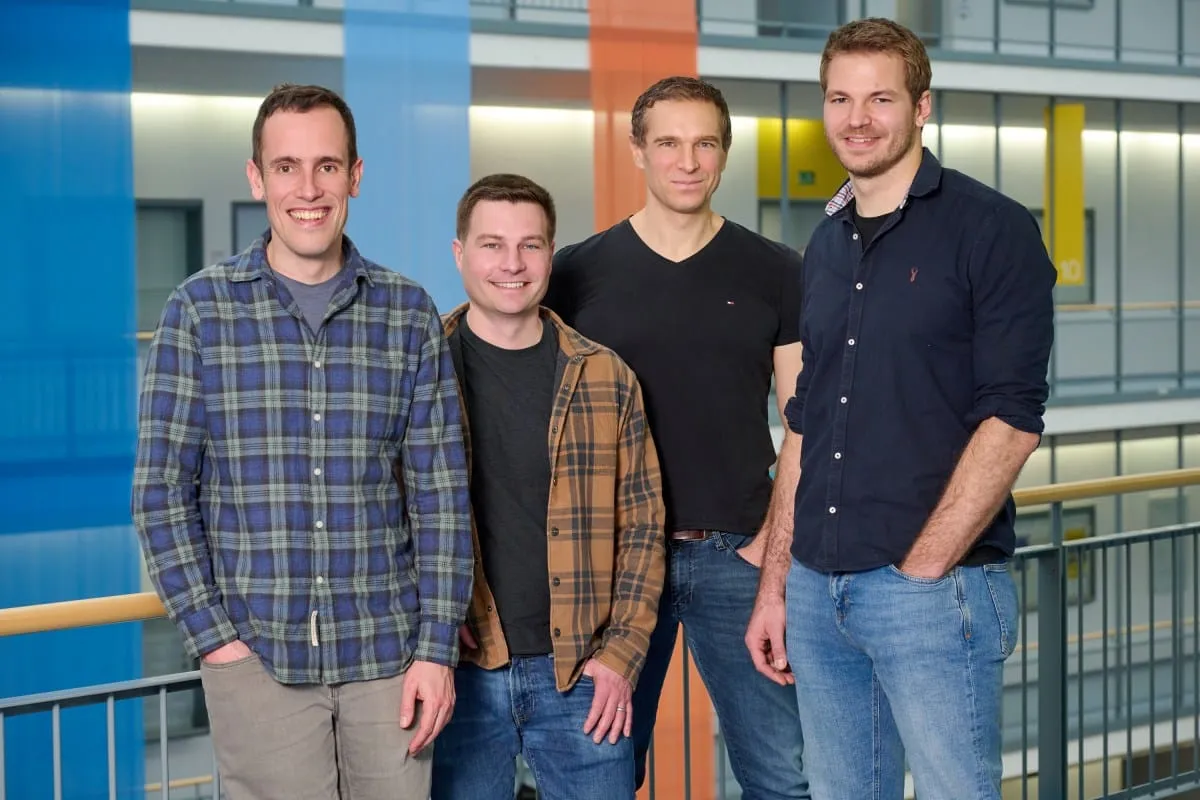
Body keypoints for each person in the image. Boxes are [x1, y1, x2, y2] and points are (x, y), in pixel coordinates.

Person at [131, 83, 473, 799]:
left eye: (326, 165)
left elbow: (442, 498)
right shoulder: (198, 312)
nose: (308, 188)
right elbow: (160, 494)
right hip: (257, 658)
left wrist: (438, 647)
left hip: (392, 663)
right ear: (257, 178)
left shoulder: (408, 315)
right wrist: (217, 641)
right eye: (286, 167)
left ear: (355, 174)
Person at [745, 18, 1056, 800]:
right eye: (840, 98)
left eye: (880, 97)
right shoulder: (824, 244)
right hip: (818, 590)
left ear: (921, 107)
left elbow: (1013, 417)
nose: (857, 117)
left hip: (930, 591)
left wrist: (923, 568)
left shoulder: (993, 229)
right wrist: (777, 586)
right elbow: (806, 421)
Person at [544, 77, 809, 799]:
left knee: (783, 779)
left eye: (704, 143)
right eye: (667, 142)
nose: (686, 161)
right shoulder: (574, 274)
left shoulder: (778, 271)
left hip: (740, 558)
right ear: (637, 151)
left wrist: (774, 565)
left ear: (724, 153)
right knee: (601, 775)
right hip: (616, 567)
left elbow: (806, 429)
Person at [429, 173, 666, 800]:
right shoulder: (421, 371)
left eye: (530, 245)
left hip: (582, 680)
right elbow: (384, 509)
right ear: (459, 253)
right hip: (459, 676)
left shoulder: (604, 375)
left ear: (551, 256)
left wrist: (621, 654)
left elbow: (642, 528)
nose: (512, 264)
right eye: (491, 245)